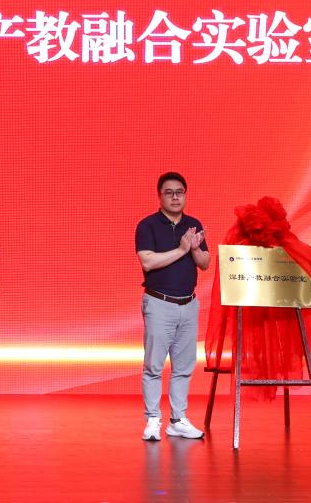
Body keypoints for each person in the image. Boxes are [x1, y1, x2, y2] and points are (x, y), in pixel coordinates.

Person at [135, 171, 210, 441]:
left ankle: (177, 420)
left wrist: (195, 248)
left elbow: (205, 263)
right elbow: (148, 262)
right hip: (159, 303)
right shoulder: (148, 225)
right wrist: (181, 249)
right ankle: (153, 419)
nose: (175, 197)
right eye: (169, 193)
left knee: (184, 367)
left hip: (188, 304)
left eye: (180, 192)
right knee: (154, 366)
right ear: (160, 196)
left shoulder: (193, 224)